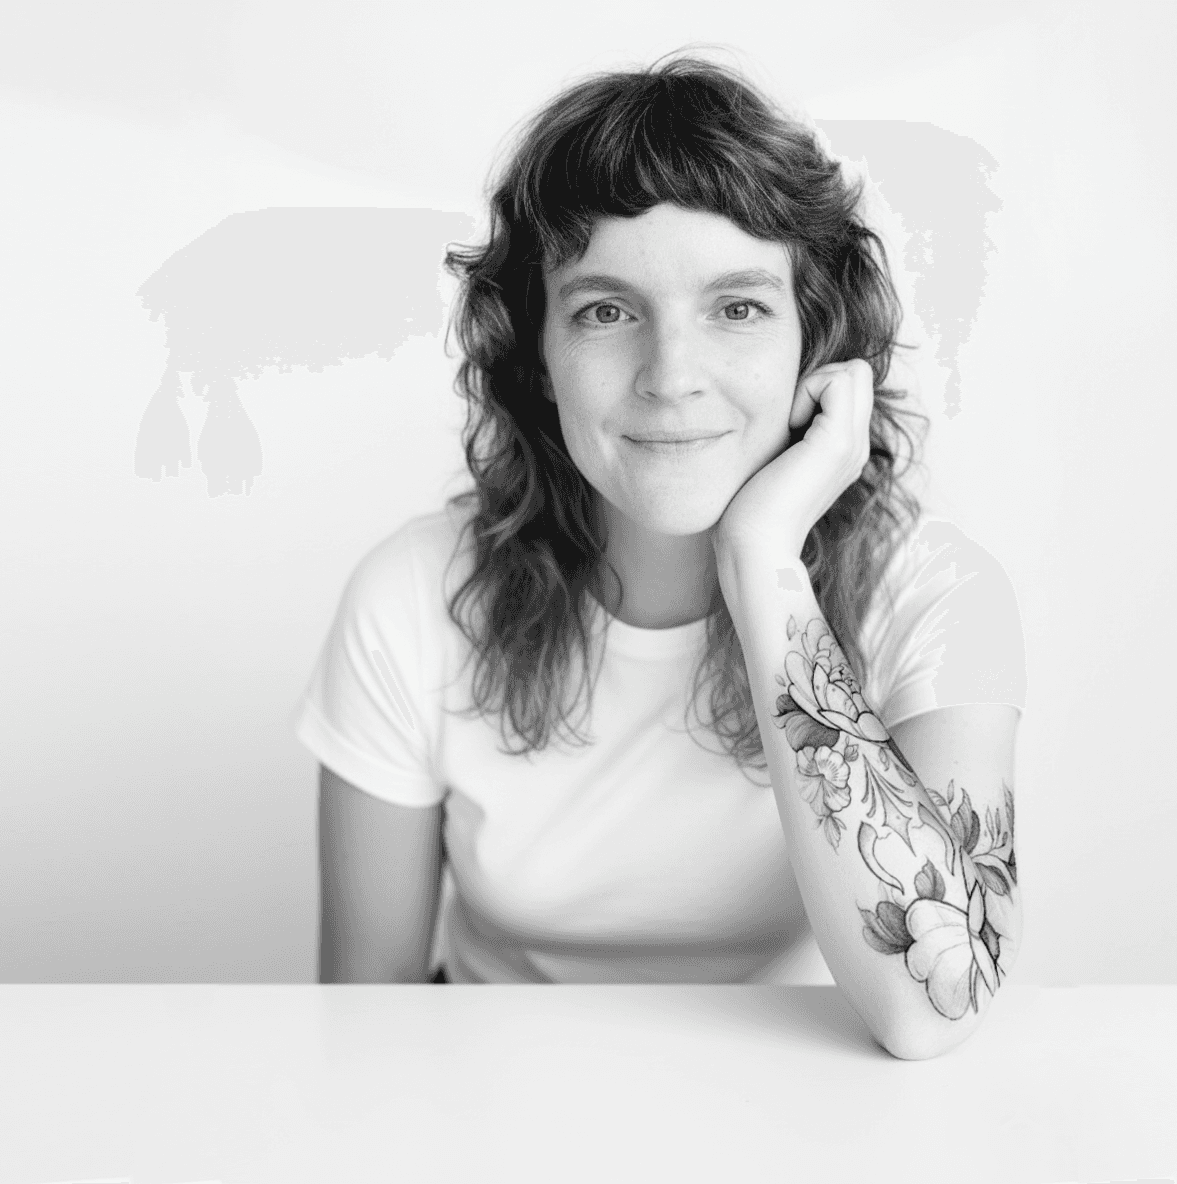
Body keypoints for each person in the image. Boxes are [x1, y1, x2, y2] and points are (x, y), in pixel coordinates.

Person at [293, 52, 1026, 1058]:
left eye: (738, 307)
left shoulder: (936, 593)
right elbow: (363, 1017)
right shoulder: (413, 596)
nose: (671, 375)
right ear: (536, 354)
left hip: (805, 1104)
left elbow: (933, 1006)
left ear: (816, 344)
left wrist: (764, 564)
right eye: (605, 311)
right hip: (489, 1104)